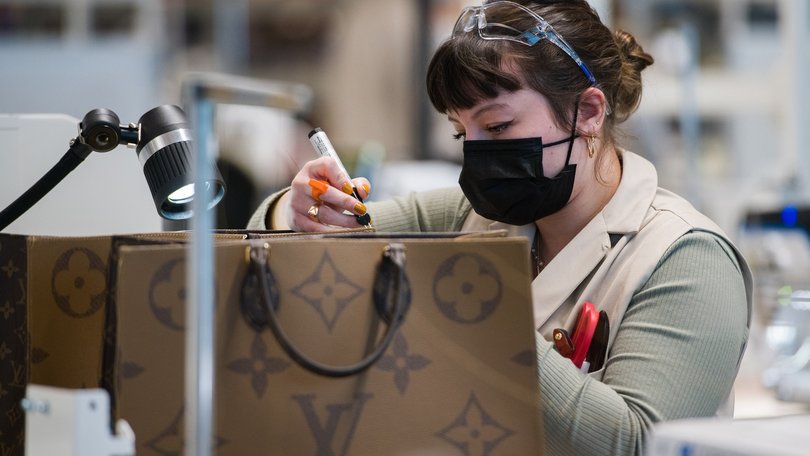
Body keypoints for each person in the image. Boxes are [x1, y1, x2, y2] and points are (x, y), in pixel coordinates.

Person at [247, 1, 752, 454]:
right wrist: (298, 211)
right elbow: (268, 251)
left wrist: (482, 312)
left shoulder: (686, 259)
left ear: (589, 112)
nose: (478, 152)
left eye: (499, 127)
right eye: (462, 132)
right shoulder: (469, 217)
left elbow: (638, 442)